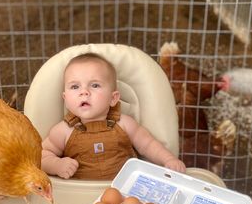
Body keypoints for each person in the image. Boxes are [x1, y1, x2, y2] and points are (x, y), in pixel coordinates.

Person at [41, 52, 186, 180]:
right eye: (75, 87)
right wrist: (56, 165)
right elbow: (40, 156)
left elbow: (148, 145)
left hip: (123, 192)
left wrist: (168, 160)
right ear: (65, 99)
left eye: (95, 85)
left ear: (113, 98)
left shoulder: (124, 124)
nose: (84, 92)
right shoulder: (63, 131)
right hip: (79, 196)